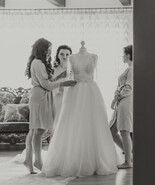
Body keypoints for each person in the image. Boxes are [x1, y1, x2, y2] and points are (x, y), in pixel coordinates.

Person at [42, 41, 120, 177]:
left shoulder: (94, 56)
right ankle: (72, 159)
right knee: (73, 123)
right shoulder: (72, 58)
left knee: (92, 122)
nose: (65, 56)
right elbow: (69, 76)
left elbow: (94, 76)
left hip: (91, 92)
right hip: (75, 91)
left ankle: (95, 159)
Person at [23, 38, 77, 174]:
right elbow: (45, 84)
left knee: (36, 129)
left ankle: (30, 160)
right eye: (48, 50)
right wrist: (63, 83)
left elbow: (47, 81)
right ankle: (37, 161)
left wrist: (60, 77)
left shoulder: (39, 63)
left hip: (42, 95)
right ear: (42, 49)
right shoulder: (37, 63)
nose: (49, 52)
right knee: (38, 129)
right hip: (40, 96)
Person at [109, 45, 134, 169]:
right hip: (122, 102)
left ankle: (128, 161)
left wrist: (115, 98)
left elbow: (129, 88)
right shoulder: (128, 69)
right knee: (112, 131)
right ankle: (131, 155)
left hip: (126, 102)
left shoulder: (132, 69)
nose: (122, 56)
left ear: (128, 55)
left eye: (123, 54)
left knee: (124, 131)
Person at [51, 45, 72, 128]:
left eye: (67, 54)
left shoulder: (73, 69)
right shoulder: (53, 70)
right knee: (57, 122)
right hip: (57, 98)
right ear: (58, 55)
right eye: (62, 54)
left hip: (70, 98)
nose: (65, 57)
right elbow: (50, 85)